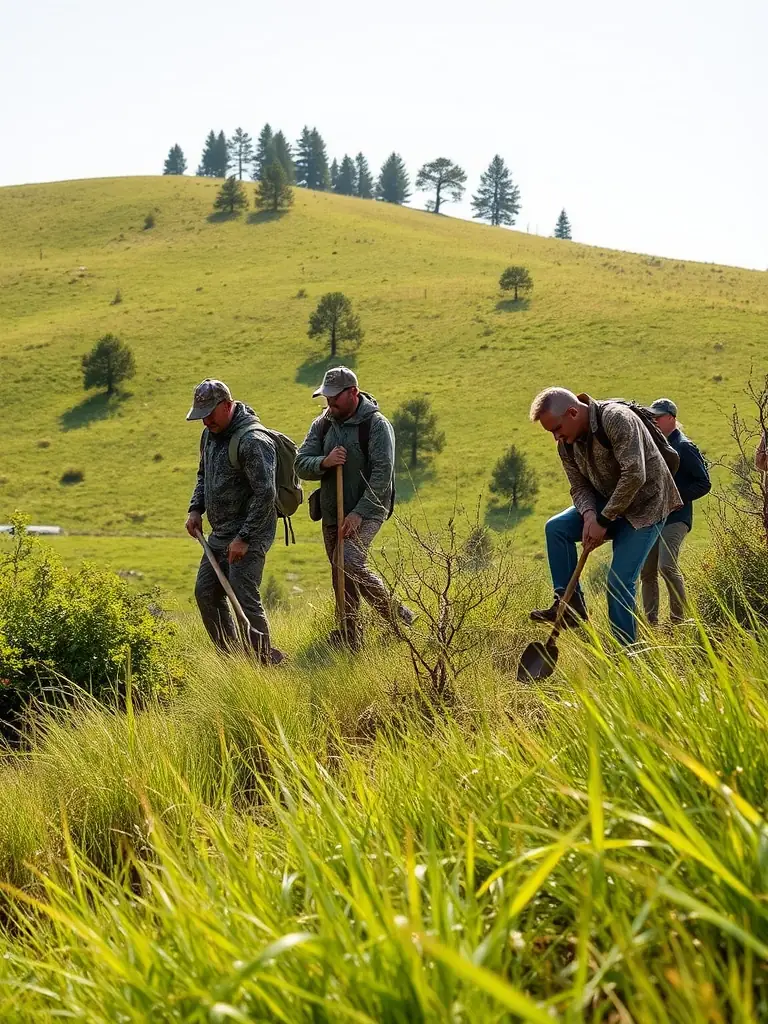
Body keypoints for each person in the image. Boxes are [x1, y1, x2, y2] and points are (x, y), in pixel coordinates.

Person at [528, 387, 682, 645]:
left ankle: (628, 655)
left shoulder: (618, 419)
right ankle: (570, 605)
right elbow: (578, 486)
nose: (556, 437)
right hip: (606, 502)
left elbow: (635, 475)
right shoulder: (566, 444)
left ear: (573, 412)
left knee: (619, 584)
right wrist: (589, 515)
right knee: (556, 528)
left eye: (556, 428)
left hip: (646, 507)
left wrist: (602, 521)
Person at [295, 366, 416, 649]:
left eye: (335, 397)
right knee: (339, 569)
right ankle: (350, 635)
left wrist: (358, 513)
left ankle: (399, 618)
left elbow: (382, 475)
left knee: (348, 561)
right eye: (326, 397)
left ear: (353, 393)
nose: (330, 403)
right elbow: (301, 463)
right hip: (330, 508)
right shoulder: (322, 424)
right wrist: (324, 462)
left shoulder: (376, 425)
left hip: (369, 508)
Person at [184, 378, 284, 664]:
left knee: (243, 596)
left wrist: (245, 537)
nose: (205, 423)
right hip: (220, 532)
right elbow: (203, 475)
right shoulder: (209, 435)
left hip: (251, 531)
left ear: (227, 406)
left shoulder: (253, 441)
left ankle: (263, 662)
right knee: (205, 593)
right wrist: (195, 509)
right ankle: (232, 662)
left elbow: (266, 494)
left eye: (210, 415)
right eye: (201, 417)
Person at [640, 398, 711, 625]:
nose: (655, 421)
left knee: (666, 567)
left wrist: (678, 498)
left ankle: (679, 622)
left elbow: (704, 483)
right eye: (652, 417)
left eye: (658, 417)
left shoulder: (684, 446)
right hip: (653, 518)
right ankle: (652, 623)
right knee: (646, 572)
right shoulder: (653, 446)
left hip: (677, 518)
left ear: (671, 418)